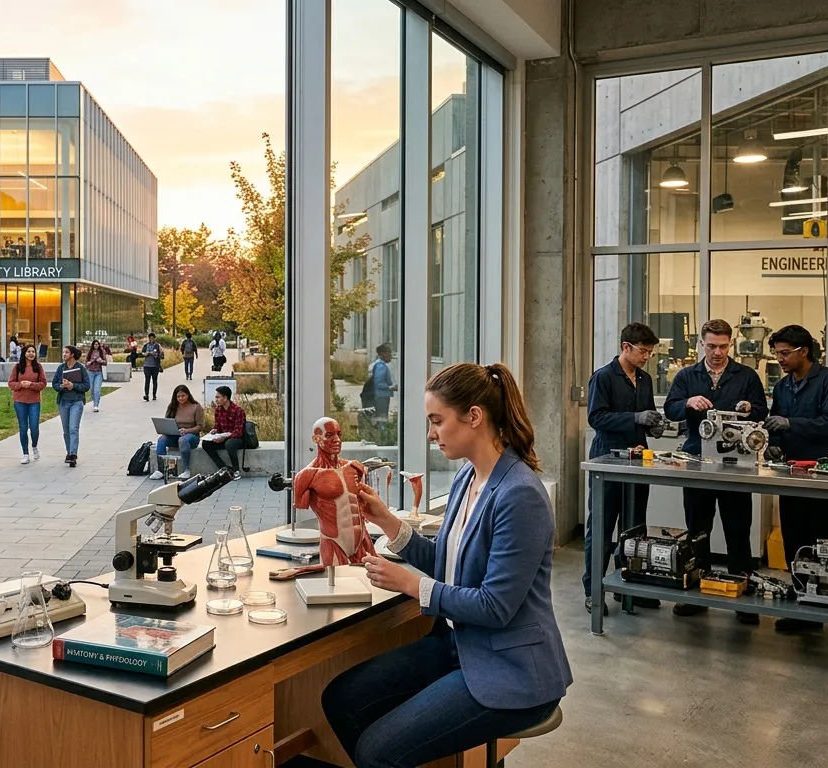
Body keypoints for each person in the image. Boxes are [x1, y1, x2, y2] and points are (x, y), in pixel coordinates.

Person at [323, 362, 571, 767]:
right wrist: (385, 519)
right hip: (458, 645)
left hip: (510, 670)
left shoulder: (519, 494)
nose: (430, 433)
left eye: (437, 420)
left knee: (377, 752)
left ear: (474, 416)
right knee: (341, 699)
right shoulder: (467, 478)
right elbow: (446, 562)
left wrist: (410, 585)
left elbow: (495, 606)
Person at [764, 325, 828, 649]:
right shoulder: (782, 387)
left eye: (784, 353)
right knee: (798, 541)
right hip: (793, 473)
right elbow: (775, 423)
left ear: (803, 351)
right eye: (777, 353)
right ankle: (804, 610)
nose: (779, 359)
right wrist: (773, 444)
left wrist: (791, 423)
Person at [663, 319, 767, 624]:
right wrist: (687, 402)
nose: (718, 352)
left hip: (736, 464)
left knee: (738, 530)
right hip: (698, 461)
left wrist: (750, 407)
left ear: (730, 344)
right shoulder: (687, 376)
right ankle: (696, 592)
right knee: (698, 531)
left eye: (723, 346)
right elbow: (670, 409)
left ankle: (743, 599)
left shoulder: (746, 376)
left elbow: (763, 411)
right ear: (701, 344)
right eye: (711, 346)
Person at [583, 322, 665, 616]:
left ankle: (628, 585)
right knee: (603, 528)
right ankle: (594, 590)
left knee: (634, 528)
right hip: (608, 458)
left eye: (650, 352)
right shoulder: (603, 378)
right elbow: (597, 418)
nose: (646, 357)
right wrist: (635, 418)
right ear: (625, 347)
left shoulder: (644, 379)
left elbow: (645, 416)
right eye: (643, 351)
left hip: (637, 459)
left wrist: (653, 425)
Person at [150, 385, 203, 481]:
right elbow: (167, 421)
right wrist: (166, 429)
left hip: (191, 436)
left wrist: (187, 431)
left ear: (188, 395)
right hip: (174, 435)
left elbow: (200, 426)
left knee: (183, 440)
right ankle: (160, 470)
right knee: (162, 439)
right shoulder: (172, 407)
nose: (181, 398)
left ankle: (186, 469)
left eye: (183, 396)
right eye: (178, 397)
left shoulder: (196, 407)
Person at [52, 345, 90, 468]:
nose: (64, 354)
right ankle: (69, 452)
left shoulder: (81, 368)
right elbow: (54, 384)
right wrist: (61, 386)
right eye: (63, 352)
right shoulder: (60, 368)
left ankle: (73, 454)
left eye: (66, 352)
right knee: (66, 430)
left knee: (73, 428)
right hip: (63, 402)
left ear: (72, 354)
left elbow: (86, 386)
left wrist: (73, 386)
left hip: (76, 402)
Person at [8, 344, 46, 464]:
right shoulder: (18, 367)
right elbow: (11, 383)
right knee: (23, 428)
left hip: (34, 401)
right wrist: (20, 385)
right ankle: (25, 453)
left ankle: (34, 446)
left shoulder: (38, 367)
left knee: (34, 427)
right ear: (24, 353)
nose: (31, 354)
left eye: (33, 352)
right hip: (20, 401)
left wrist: (31, 385)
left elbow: (43, 383)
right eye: (29, 351)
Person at [202, 385, 245, 480]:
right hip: (223, 437)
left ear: (225, 398)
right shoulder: (218, 410)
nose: (216, 400)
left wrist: (225, 437)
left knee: (230, 444)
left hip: (236, 438)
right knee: (206, 444)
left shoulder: (238, 410)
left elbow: (238, 431)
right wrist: (214, 431)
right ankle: (223, 468)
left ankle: (236, 470)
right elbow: (218, 426)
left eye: (218, 397)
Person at [367, 344, 397, 438]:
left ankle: (381, 434)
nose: (391, 355)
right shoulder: (381, 366)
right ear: (382, 354)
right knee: (382, 417)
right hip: (381, 396)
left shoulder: (379, 364)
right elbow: (379, 383)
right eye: (389, 353)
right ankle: (382, 436)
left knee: (381, 416)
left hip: (380, 396)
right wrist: (391, 387)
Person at [85, 340, 109, 413]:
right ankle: (94, 401)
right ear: (93, 345)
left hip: (98, 372)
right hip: (91, 372)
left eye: (97, 344)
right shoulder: (90, 352)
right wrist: (90, 362)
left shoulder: (101, 352)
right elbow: (86, 364)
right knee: (92, 389)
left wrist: (101, 361)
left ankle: (96, 405)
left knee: (97, 390)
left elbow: (105, 363)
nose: (96, 346)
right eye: (95, 344)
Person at [141, 332, 163, 401]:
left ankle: (154, 395)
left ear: (154, 338)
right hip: (147, 365)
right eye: (150, 338)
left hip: (155, 366)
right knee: (147, 380)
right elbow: (142, 353)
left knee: (154, 380)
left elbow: (162, 355)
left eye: (152, 338)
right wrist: (146, 354)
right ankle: (146, 395)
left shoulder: (157, 346)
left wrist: (155, 354)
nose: (151, 339)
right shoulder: (146, 345)